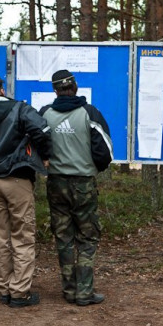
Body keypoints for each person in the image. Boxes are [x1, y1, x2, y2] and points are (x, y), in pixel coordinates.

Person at [0, 74, 51, 308]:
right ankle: (19, 292)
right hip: (17, 179)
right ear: (0, 90)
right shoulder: (20, 109)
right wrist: (45, 155)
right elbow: (42, 131)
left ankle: (4, 288)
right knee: (22, 236)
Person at [39, 70, 113, 306]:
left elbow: (37, 142)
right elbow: (104, 152)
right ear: (76, 87)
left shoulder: (45, 115)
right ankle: (84, 291)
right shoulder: (89, 114)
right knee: (87, 236)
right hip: (83, 183)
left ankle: (69, 289)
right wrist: (91, 168)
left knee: (63, 236)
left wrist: (47, 160)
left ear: (55, 90)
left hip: (56, 183)